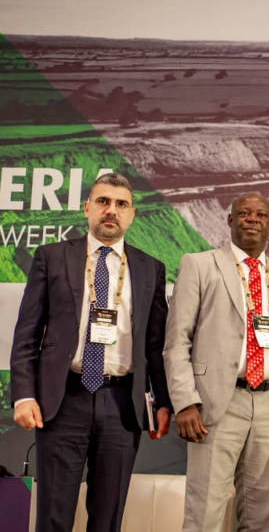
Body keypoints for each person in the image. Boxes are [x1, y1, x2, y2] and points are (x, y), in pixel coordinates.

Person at [10, 173, 171, 532]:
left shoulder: (150, 268)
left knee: (108, 516)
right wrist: (23, 395)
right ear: (87, 209)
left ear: (132, 214)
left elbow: (155, 344)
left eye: (121, 204)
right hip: (64, 398)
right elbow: (27, 332)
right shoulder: (52, 257)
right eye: (103, 201)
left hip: (121, 402)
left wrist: (162, 402)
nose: (111, 210)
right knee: (54, 514)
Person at [163, 192, 269, 531]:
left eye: (261, 215)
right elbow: (176, 341)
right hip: (216, 402)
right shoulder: (199, 264)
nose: (252, 219)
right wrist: (186, 403)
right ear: (230, 220)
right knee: (204, 510)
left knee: (260, 514)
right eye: (244, 213)